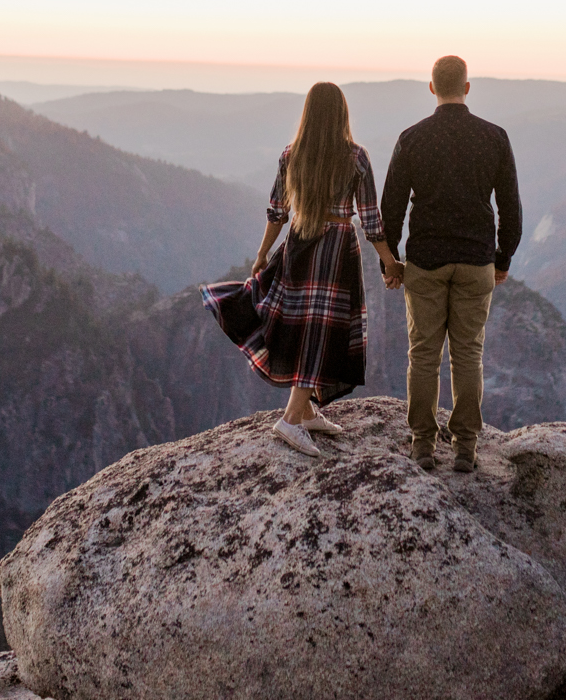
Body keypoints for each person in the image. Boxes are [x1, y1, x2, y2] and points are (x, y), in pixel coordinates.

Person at [202, 81, 402, 458]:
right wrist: (390, 261)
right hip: (336, 249)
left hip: (299, 244)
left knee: (306, 326)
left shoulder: (292, 155)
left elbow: (277, 211)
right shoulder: (356, 158)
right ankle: (291, 420)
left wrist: (262, 253)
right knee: (322, 332)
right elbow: (371, 220)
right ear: (342, 113)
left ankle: (307, 411)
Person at [379, 54, 521, 473]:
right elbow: (510, 207)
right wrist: (502, 258)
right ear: (467, 87)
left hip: (425, 260)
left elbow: (391, 208)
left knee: (423, 355)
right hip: (476, 260)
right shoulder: (494, 137)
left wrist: (392, 262)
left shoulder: (412, 138)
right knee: (468, 355)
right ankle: (465, 447)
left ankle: (423, 443)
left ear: (431, 88)